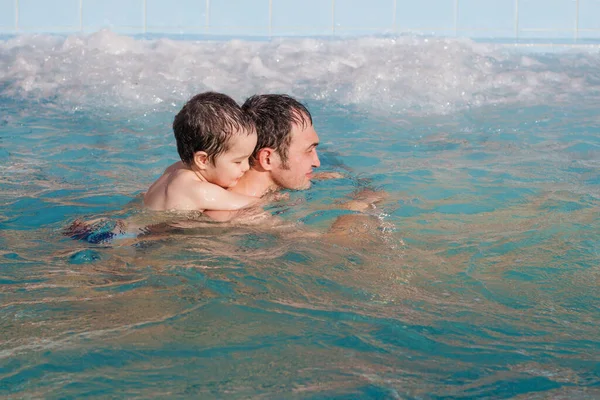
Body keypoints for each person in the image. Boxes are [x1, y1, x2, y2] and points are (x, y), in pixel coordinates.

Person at [143, 91, 262, 212]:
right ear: (203, 160)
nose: (247, 167)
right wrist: (273, 197)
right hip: (164, 230)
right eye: (238, 161)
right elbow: (250, 203)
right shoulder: (198, 190)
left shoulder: (173, 170)